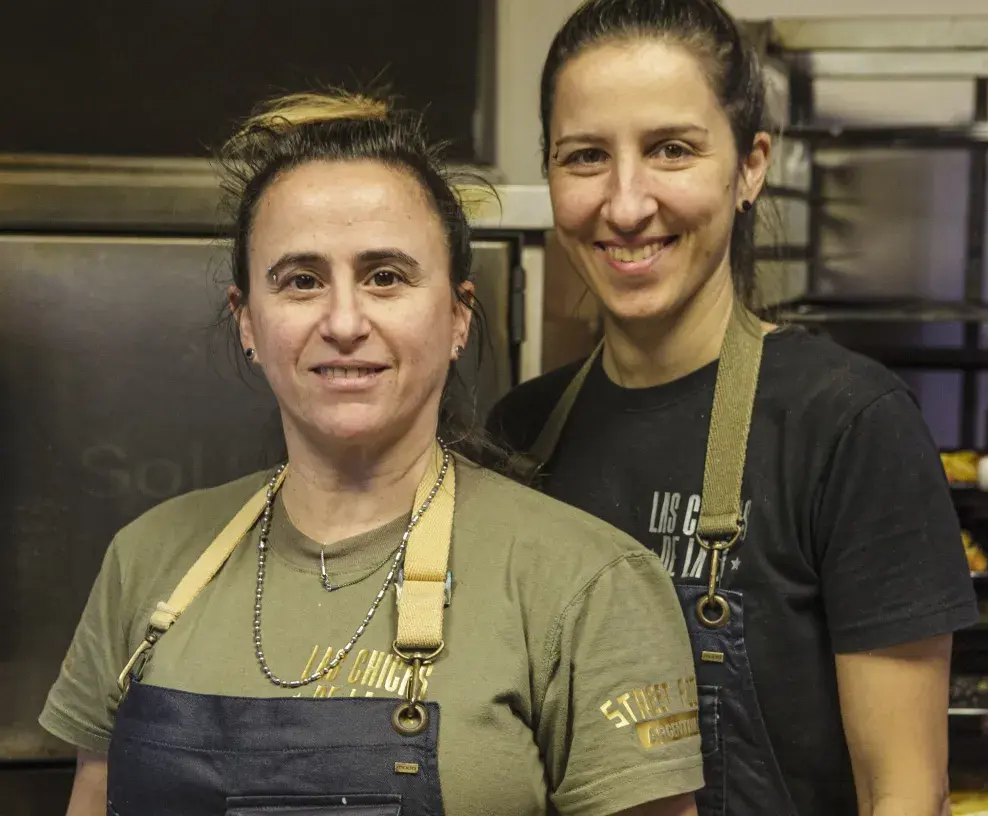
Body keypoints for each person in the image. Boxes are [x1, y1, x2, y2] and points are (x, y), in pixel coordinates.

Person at [39, 90, 706, 816]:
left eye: (385, 276)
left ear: (457, 316)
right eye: (301, 281)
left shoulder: (588, 586)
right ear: (248, 323)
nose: (345, 321)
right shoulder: (145, 563)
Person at [486, 2, 980, 815]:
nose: (626, 202)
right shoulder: (518, 436)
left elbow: (905, 793)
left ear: (751, 166)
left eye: (671, 149)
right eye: (584, 157)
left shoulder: (847, 424)